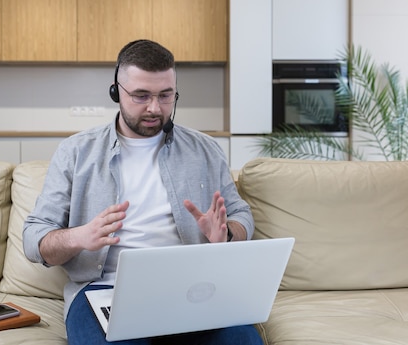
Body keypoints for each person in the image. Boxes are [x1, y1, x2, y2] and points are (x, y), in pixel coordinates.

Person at [23, 39, 262, 345]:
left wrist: (227, 234)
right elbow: (34, 238)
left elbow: (241, 214)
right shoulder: (76, 151)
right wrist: (78, 237)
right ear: (115, 92)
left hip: (192, 290)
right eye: (141, 96)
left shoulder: (204, 149)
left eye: (166, 96)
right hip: (105, 292)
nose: (154, 108)